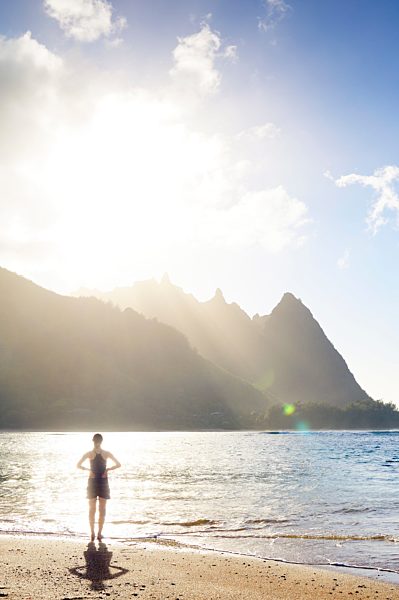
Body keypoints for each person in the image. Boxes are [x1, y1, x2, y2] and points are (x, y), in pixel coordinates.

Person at [77, 433, 121, 541]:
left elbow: (78, 465)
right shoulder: (105, 453)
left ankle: (94, 533)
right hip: (101, 482)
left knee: (94, 509)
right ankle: (97, 533)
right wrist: (107, 470)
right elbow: (118, 464)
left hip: (95, 482)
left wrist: (90, 471)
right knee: (100, 509)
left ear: (93, 441)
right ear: (101, 441)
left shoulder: (89, 454)